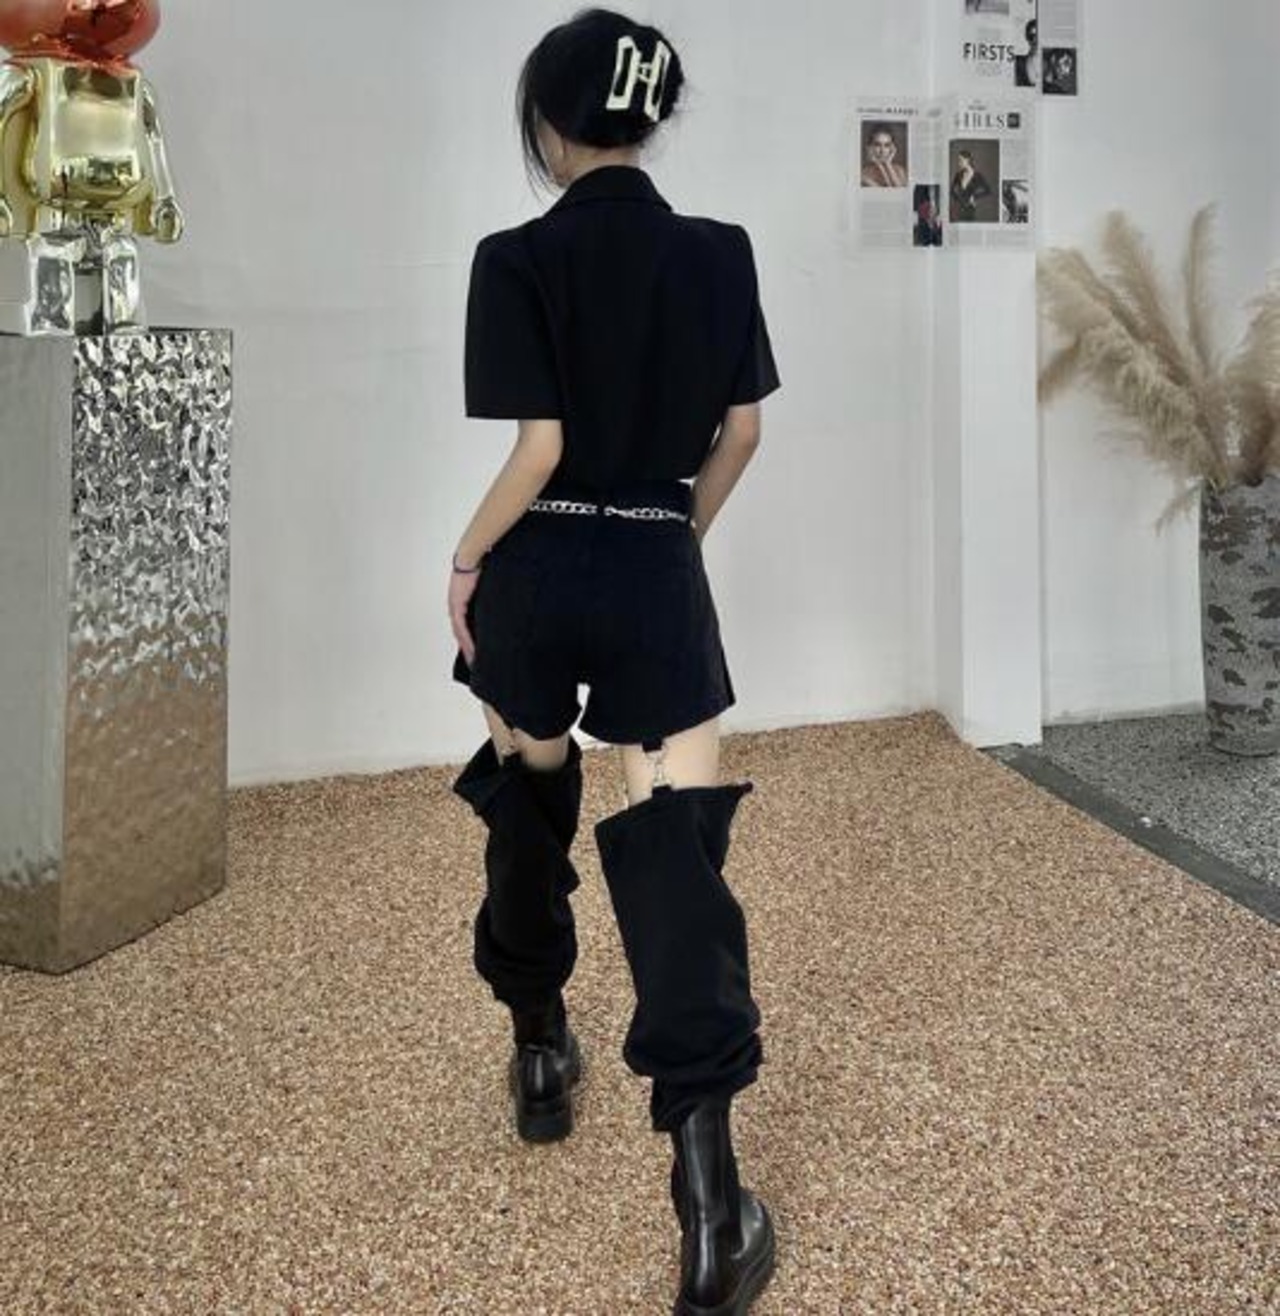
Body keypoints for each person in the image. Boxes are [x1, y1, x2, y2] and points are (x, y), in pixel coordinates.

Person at [445, 9, 780, 1313]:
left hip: (534, 577)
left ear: (548, 124)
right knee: (671, 852)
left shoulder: (513, 257)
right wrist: (668, 542)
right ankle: (710, 1208)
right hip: (650, 569)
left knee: (529, 808)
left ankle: (539, 1050)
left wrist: (467, 560)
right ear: (652, 116)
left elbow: (537, 450)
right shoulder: (719, 252)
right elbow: (740, 434)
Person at [950, 148, 992, 222]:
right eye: (958, 160)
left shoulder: (977, 176)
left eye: (961, 160)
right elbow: (951, 191)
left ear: (967, 160)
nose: (959, 163)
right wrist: (957, 200)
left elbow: (988, 190)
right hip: (957, 210)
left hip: (970, 209)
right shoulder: (958, 175)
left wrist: (974, 196)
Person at [861, 122, 908, 188]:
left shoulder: (900, 171)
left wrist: (888, 164)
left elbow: (900, 191)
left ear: (892, 148)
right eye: (877, 145)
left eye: (887, 145)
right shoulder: (864, 174)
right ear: (870, 147)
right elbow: (887, 191)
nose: (882, 151)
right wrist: (879, 165)